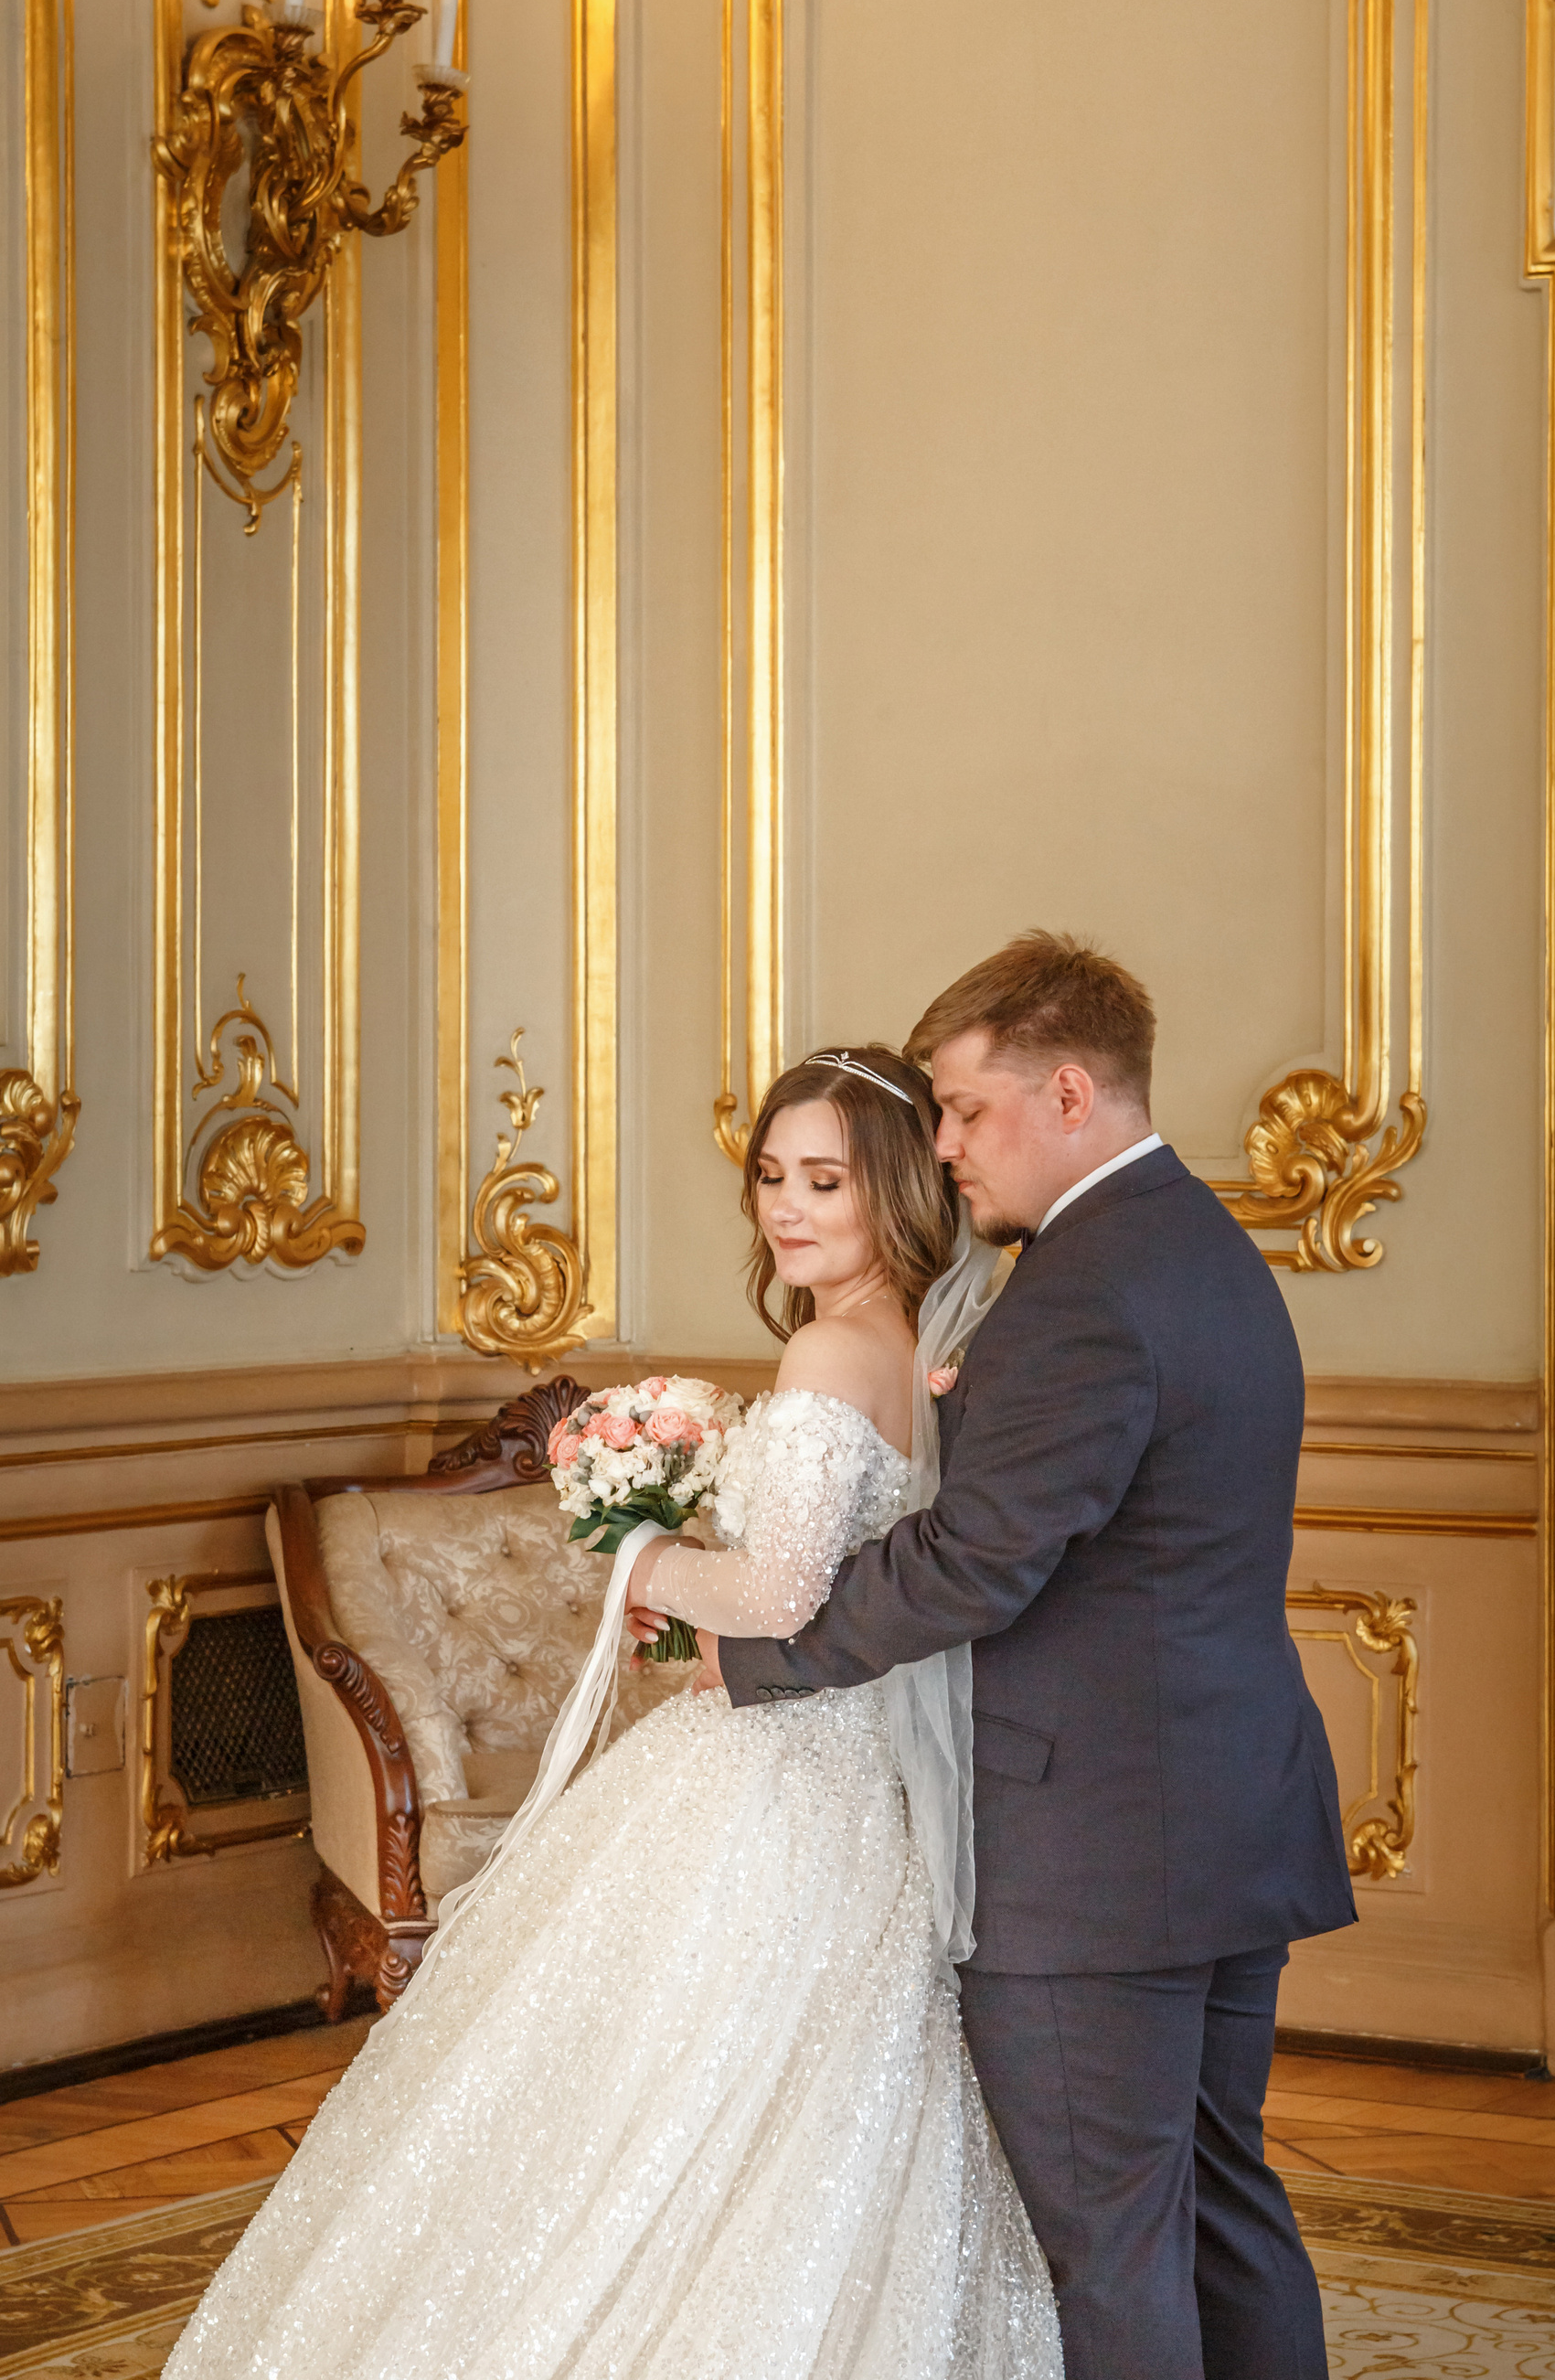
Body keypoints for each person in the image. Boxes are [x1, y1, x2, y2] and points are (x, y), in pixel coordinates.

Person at [165, 1047, 1063, 2380]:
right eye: (772, 1176)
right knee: (814, 2099)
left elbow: (777, 1592)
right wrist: (691, 1573)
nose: (787, 1207)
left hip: (781, 1772)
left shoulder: (830, 1350)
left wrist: (640, 1561)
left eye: (826, 1181)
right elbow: (842, 1585)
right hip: (856, 1766)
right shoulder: (919, 1351)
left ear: (894, 1190)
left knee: (650, 2094)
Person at [687, 934, 1357, 2380]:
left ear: (1067, 1094)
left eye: (964, 1109)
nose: (943, 1144)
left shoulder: (1080, 1291)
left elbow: (977, 1560)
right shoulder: (1201, 1245)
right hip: (1231, 1809)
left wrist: (756, 1661)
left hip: (1099, 1852)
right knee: (1220, 2205)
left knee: (1110, 2247)